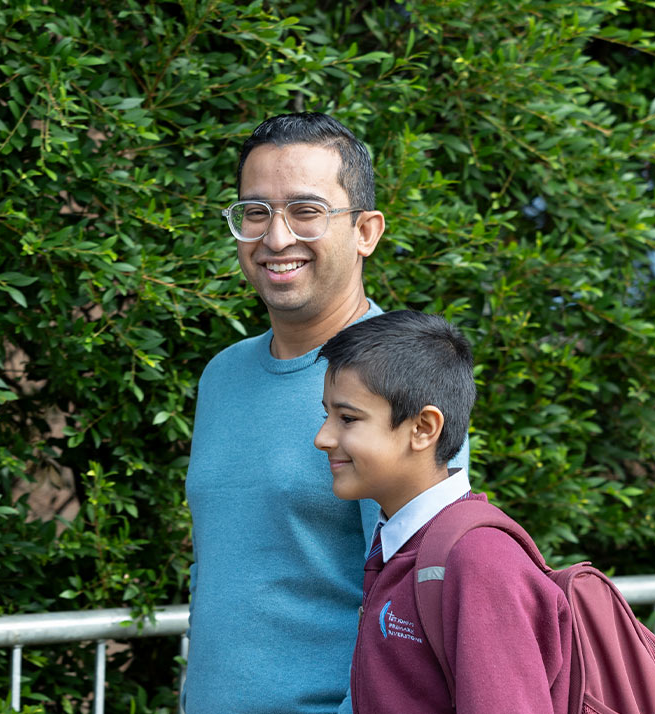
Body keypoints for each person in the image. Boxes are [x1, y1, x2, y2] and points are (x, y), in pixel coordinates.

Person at [183, 113, 468, 713]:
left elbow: (422, 598)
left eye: (306, 211)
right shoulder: (223, 376)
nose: (276, 237)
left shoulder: (400, 380)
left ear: (366, 231)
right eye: (255, 212)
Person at [313, 310, 569, 713]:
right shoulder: (398, 544)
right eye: (325, 415)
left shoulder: (478, 560)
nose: (322, 437)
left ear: (423, 428)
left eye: (347, 418)